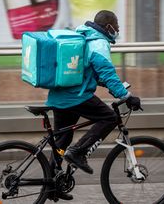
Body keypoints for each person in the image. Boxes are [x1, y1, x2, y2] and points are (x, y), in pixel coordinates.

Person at [46, 10, 142, 201]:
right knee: (109, 118)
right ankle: (78, 152)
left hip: (59, 95)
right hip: (76, 96)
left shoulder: (82, 36)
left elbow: (94, 74)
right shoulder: (98, 43)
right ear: (109, 27)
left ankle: (51, 186)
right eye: (117, 27)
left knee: (62, 140)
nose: (118, 30)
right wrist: (127, 96)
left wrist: (115, 88)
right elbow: (106, 72)